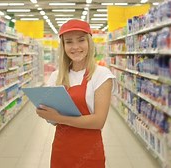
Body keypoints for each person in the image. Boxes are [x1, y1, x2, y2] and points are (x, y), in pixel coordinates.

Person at [36, 19, 117, 168]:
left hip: (90, 152)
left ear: (89, 43)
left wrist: (58, 117)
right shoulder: (57, 76)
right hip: (61, 150)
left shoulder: (102, 75)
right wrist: (45, 112)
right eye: (69, 42)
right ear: (63, 46)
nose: (75, 47)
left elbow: (98, 121)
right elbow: (53, 120)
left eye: (81, 40)